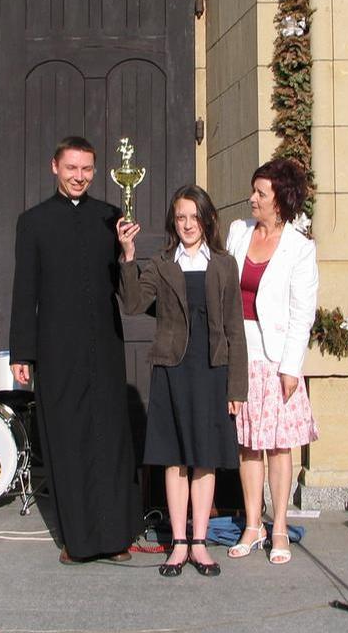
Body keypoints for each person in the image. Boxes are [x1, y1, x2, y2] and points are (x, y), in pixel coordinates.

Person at [9, 136, 142, 564]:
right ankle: (78, 540)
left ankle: (116, 536)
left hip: (105, 345)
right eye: (71, 168)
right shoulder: (33, 222)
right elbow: (24, 292)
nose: (79, 177)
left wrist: (128, 253)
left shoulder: (111, 217)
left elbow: (126, 290)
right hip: (57, 348)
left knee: (109, 437)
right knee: (67, 439)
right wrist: (21, 353)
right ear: (55, 167)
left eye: (86, 169)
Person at [118, 185, 247, 578]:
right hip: (172, 370)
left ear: (207, 220)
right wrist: (128, 256)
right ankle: (178, 543)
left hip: (212, 372)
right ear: (173, 222)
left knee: (205, 457)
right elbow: (133, 304)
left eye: (194, 217)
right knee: (174, 458)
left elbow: (235, 329)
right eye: (180, 217)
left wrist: (237, 388)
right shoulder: (162, 263)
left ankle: (199, 543)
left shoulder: (224, 264)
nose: (187, 225)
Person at [226, 158, 319, 565]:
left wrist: (290, 367)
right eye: (253, 190)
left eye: (261, 193)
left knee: (279, 447)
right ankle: (252, 524)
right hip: (240, 354)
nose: (253, 198)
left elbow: (303, 311)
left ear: (280, 200)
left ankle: (278, 526)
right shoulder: (238, 232)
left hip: (277, 359)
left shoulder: (300, 248)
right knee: (248, 445)